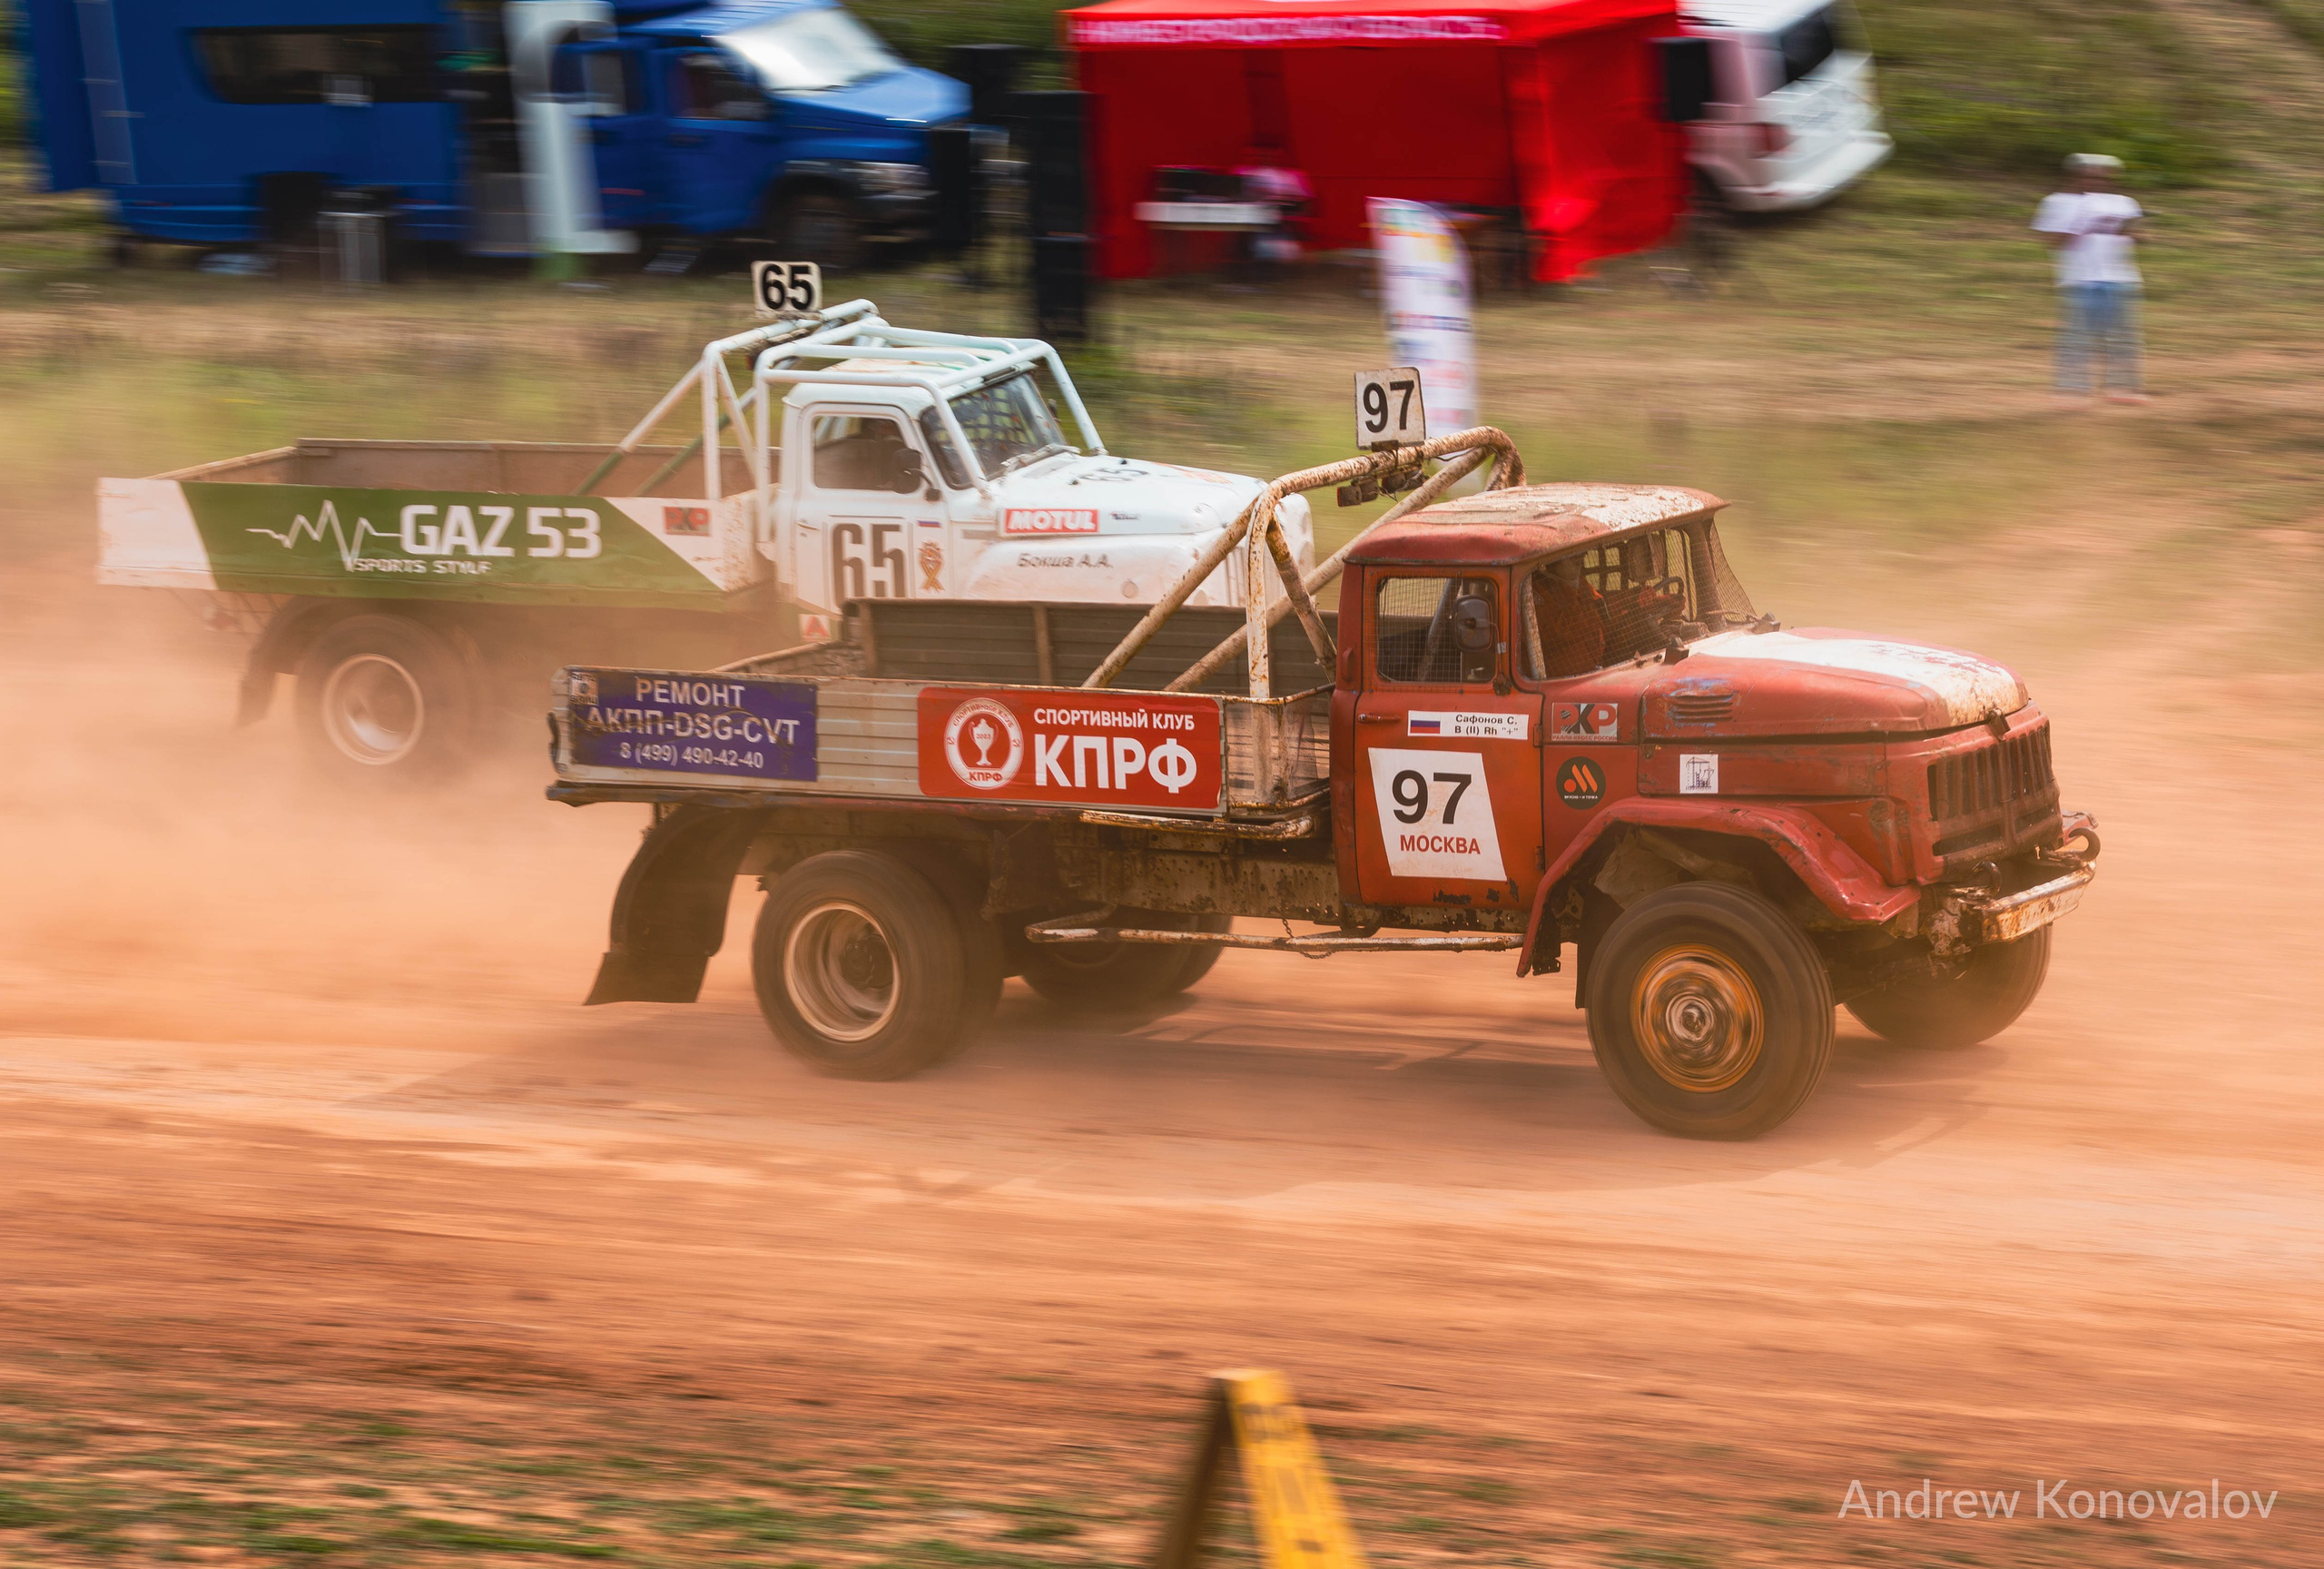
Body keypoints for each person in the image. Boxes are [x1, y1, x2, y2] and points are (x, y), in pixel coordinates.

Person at [2032, 154, 2146, 403]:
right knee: (2076, 337)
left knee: (2123, 337)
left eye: (2104, 176)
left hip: (2120, 277)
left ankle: (2123, 390)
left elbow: (2138, 237)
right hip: (2079, 278)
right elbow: (2051, 242)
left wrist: (2130, 231)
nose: (2098, 180)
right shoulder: (2057, 202)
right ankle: (2072, 392)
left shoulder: (2124, 203)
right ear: (2075, 175)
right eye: (2091, 175)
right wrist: (2081, 225)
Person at [1529, 556, 1607, 679]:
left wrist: (1635, 598)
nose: (1581, 557)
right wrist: (1572, 595)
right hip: (1562, 681)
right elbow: (1558, 630)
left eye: (1582, 553)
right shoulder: (1534, 589)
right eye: (1573, 556)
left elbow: (1600, 609)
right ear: (1552, 562)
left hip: (1594, 669)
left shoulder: (1578, 582)